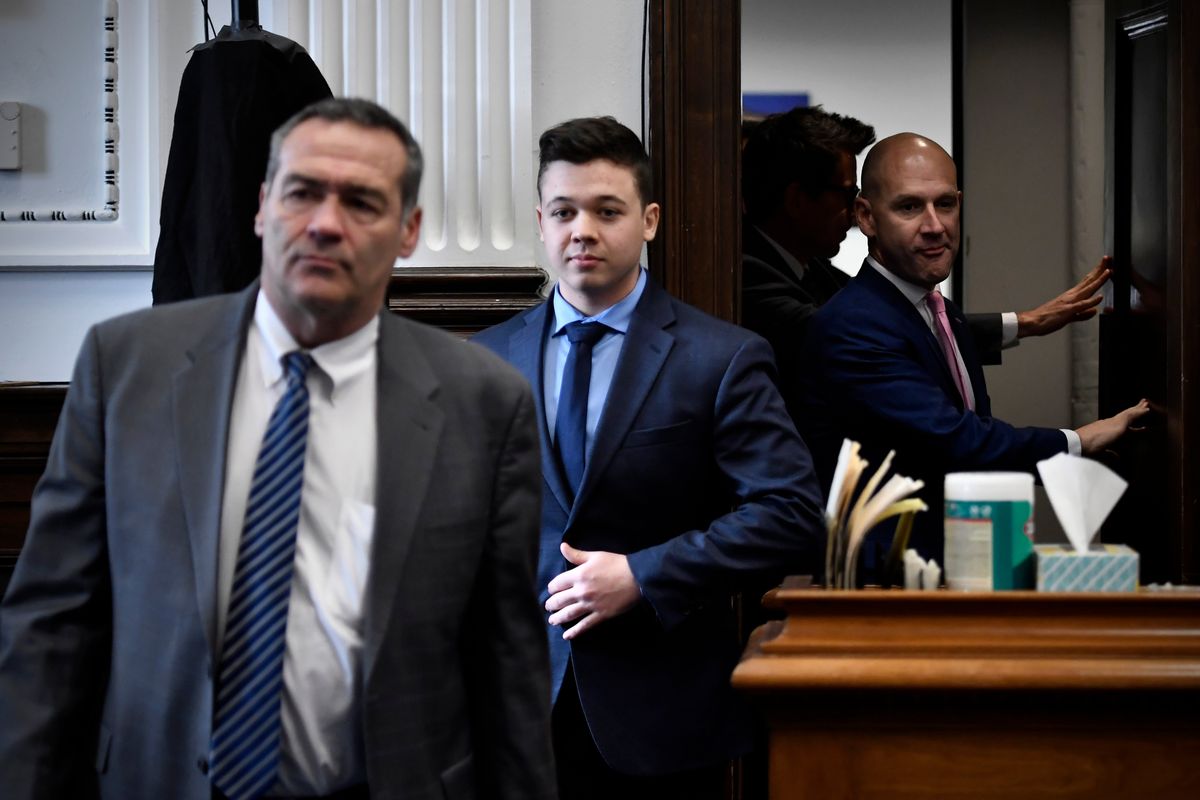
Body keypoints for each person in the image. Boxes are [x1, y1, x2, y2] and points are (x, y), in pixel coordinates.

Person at [0, 97, 556, 800]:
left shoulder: (485, 403)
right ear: (263, 206)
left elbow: (507, 664)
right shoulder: (128, 367)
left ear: (408, 231)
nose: (324, 223)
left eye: (361, 202)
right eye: (301, 193)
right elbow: (51, 626)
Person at [473, 116, 825, 799]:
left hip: (662, 716)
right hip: (512, 715)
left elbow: (791, 514)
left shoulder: (722, 357)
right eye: (564, 212)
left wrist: (643, 573)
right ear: (541, 223)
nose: (583, 231)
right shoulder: (486, 359)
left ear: (650, 221)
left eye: (608, 211)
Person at [795, 132, 1149, 565]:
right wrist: (1078, 440)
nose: (934, 226)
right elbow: (957, 440)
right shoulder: (852, 325)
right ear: (866, 217)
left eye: (945, 204)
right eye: (909, 207)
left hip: (953, 567)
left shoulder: (940, 310)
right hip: (880, 584)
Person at [741, 106, 1112, 418]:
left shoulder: (813, 266)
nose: (853, 212)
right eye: (847, 195)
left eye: (946, 204)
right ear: (797, 201)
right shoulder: (745, 274)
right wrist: (1026, 323)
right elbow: (869, 331)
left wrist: (1024, 322)